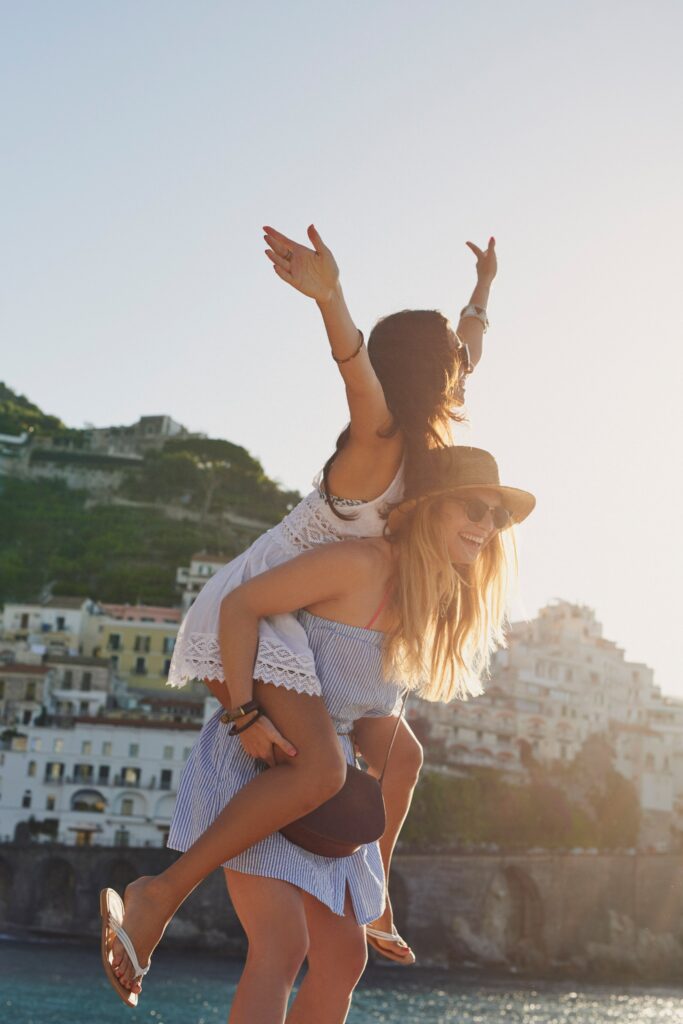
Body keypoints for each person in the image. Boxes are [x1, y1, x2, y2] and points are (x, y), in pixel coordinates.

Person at [100, 445, 535, 1022]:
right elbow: (240, 605)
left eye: (496, 516)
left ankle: (373, 903)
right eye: (472, 508)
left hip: (320, 795)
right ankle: (157, 893)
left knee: (342, 961)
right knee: (281, 948)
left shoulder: (426, 601)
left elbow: (373, 719)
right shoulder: (363, 563)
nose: (486, 527)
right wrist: (246, 714)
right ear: (429, 508)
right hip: (263, 765)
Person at [166, 223, 497, 965]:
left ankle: (370, 901)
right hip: (269, 602)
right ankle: (171, 889)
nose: (462, 365)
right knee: (318, 767)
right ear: (422, 371)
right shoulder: (378, 438)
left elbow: (471, 348)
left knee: (402, 757)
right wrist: (330, 296)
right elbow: (354, 368)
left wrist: (482, 289)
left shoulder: (430, 448)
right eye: (448, 357)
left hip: (322, 605)